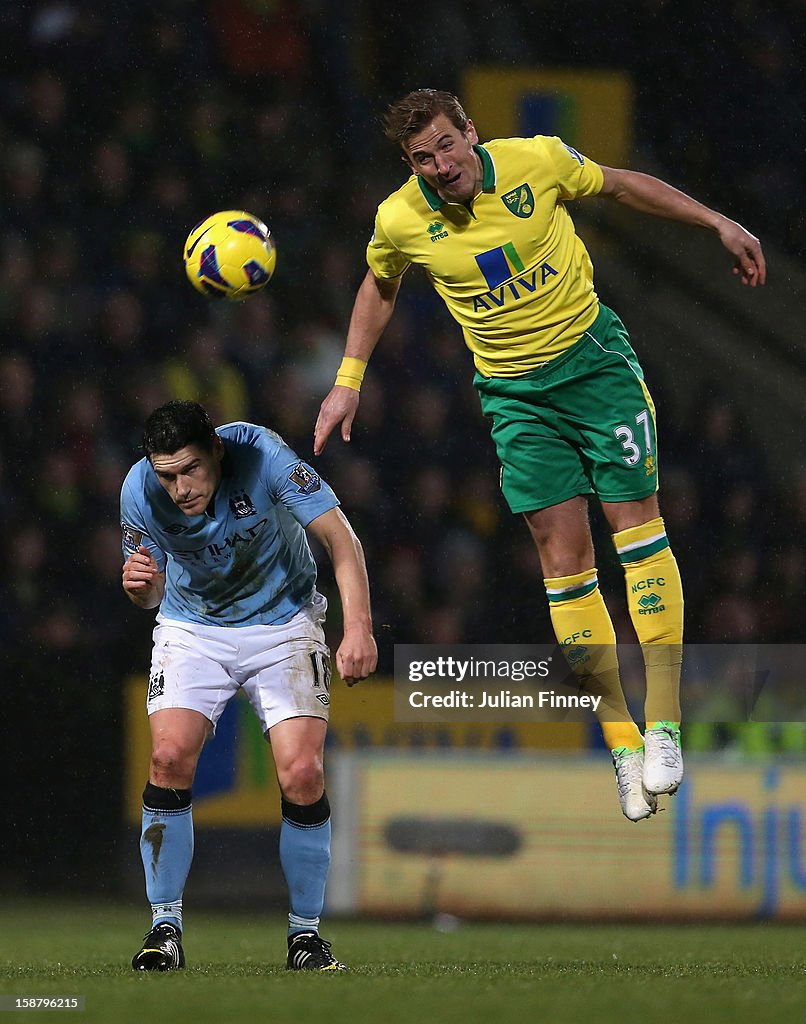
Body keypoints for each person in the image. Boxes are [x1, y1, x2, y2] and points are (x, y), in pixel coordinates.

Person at [314, 89, 766, 822]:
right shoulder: (402, 218)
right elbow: (380, 282)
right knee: (563, 560)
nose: (439, 165)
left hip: (595, 369)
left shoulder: (539, 161)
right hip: (515, 398)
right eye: (422, 158)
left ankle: (667, 727)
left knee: (637, 530)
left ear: (471, 132)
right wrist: (347, 382)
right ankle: (622, 744)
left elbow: (620, 184)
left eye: (446, 146)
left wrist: (718, 221)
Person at [121, 399, 376, 971]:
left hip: (283, 622)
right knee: (166, 758)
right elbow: (150, 595)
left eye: (190, 470)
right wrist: (139, 585)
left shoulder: (264, 456)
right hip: (194, 627)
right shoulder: (138, 491)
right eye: (168, 476)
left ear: (215, 449)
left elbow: (343, 541)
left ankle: (306, 936)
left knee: (303, 773)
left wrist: (357, 630)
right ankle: (164, 930)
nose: (180, 488)